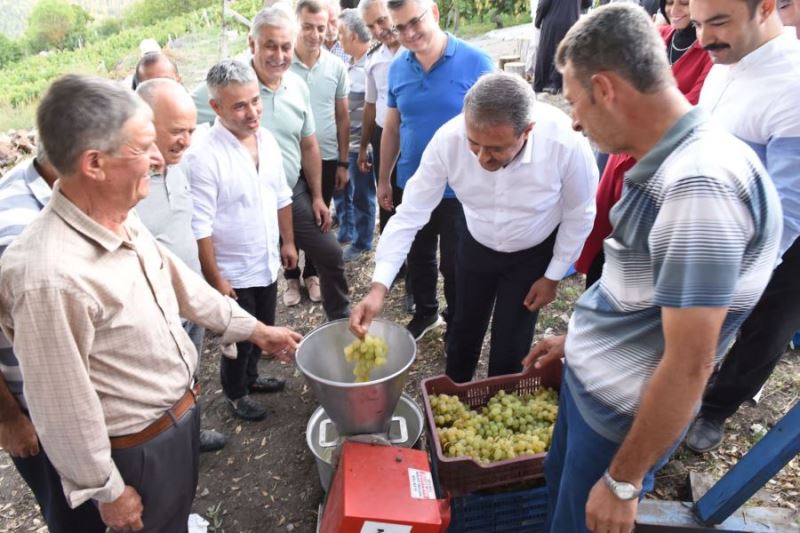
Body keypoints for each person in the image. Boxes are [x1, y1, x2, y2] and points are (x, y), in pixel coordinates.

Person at [0, 74, 302, 533]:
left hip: (171, 425)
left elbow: (180, 282)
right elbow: (61, 406)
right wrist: (108, 491)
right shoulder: (48, 277)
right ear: (95, 163)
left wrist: (256, 330)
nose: (160, 158)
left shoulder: (115, 214)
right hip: (130, 454)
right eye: (143, 147)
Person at [524, 5, 782, 532]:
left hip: (619, 423)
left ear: (607, 88)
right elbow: (640, 292)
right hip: (593, 390)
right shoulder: (672, 157)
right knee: (559, 501)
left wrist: (623, 482)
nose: (574, 120)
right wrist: (578, 342)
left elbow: (690, 362)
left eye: (575, 102)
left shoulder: (699, 187)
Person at [350, 73, 597, 383]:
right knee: (463, 331)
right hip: (475, 242)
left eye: (495, 149)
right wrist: (378, 287)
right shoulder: (447, 139)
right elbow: (410, 213)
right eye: (473, 144)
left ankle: (499, 398)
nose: (481, 158)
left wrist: (553, 275)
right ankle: (458, 392)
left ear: (527, 131)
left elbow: (580, 212)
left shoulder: (564, 141)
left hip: (532, 253)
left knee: (511, 344)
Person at [684, 0, 800, 453]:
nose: (703, 38)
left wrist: (738, 278)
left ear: (765, 8)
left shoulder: (791, 87)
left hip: (781, 247)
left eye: (717, 22)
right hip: (725, 231)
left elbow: (788, 211)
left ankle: (716, 410)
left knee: (764, 329)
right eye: (697, 23)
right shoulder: (725, 62)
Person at [185, 60, 298, 423]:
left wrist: (289, 243)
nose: (252, 113)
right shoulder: (204, 155)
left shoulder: (267, 140)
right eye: (239, 106)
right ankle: (235, 393)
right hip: (233, 269)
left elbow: (282, 195)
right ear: (216, 107)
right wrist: (215, 277)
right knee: (239, 338)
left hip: (264, 259)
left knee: (263, 324)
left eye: (255, 101)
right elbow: (199, 225)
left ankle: (252, 378)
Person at [0, 148, 106, 533]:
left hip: (93, 399)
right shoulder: (14, 230)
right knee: (75, 517)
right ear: (91, 159)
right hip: (44, 415)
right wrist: (10, 419)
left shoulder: (81, 198)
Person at [575, 0, 713, 287]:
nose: (675, 9)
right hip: (623, 155)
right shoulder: (658, 39)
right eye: (670, 2)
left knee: (637, 245)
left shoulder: (708, 56)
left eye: (685, 4)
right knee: (605, 230)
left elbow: (690, 106)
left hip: (660, 164)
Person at [380, 0, 495, 340]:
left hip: (461, 187)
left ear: (434, 12)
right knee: (418, 255)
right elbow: (392, 126)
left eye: (414, 22)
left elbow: (497, 127)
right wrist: (384, 177)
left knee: (456, 263)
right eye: (399, 28)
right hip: (412, 182)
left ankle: (456, 319)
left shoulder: (477, 61)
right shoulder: (397, 68)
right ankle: (426, 313)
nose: (409, 33)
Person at [131, 78, 227, 452]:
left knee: (190, 369)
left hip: (190, 297)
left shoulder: (182, 165)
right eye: (176, 131)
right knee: (158, 385)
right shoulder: (128, 182)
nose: (185, 140)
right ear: (143, 124)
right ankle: (166, 447)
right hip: (153, 313)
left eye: (190, 130)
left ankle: (190, 433)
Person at [286, 0, 350, 306]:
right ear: (296, 24)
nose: (314, 34)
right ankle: (290, 277)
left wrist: (342, 161)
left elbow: (342, 116)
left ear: (329, 28)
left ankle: (312, 273)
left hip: (323, 158)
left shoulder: (336, 66)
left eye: (320, 28)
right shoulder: (282, 65)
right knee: (283, 219)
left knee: (319, 218)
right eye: (307, 26)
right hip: (287, 158)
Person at [332, 9, 377, 262]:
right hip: (348, 144)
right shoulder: (351, 63)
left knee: (362, 195)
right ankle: (350, 232)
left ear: (352, 35)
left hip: (363, 145)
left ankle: (363, 242)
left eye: (340, 34)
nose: (338, 39)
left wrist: (365, 147)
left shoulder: (370, 65)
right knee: (346, 190)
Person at [357, 0, 404, 234]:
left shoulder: (416, 49)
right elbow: (370, 105)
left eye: (382, 20)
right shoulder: (373, 58)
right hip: (383, 134)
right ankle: (393, 263)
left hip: (412, 134)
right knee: (387, 195)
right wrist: (364, 145)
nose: (378, 31)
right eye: (370, 26)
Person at [534, 0, 581, 93]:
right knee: (567, 52)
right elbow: (588, 2)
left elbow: (544, 3)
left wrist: (537, 21)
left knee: (548, 50)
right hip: (573, 19)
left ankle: (547, 84)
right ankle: (561, 83)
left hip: (553, 20)